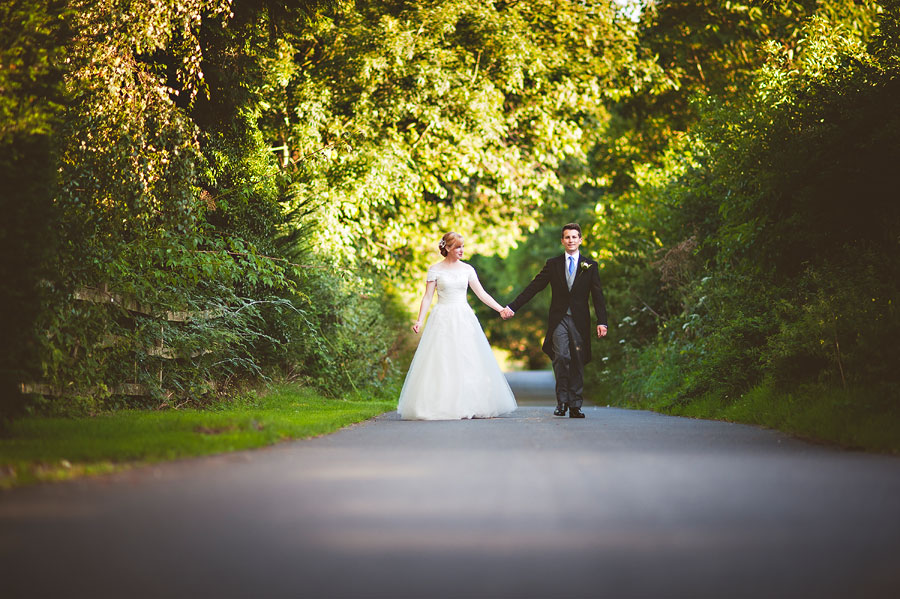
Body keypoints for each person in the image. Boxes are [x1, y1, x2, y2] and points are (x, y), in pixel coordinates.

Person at [397, 232, 518, 420]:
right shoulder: (434, 270)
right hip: (442, 317)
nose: (461, 250)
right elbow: (428, 296)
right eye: (457, 247)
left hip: (463, 317)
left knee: (467, 358)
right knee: (442, 359)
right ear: (447, 248)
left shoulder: (468, 270)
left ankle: (470, 403)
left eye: (462, 246)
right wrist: (419, 320)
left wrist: (500, 309)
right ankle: (441, 403)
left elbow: (481, 294)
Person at [500, 223, 607, 418]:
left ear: (580, 240)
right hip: (559, 319)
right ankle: (562, 402)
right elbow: (535, 286)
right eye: (567, 237)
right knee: (562, 357)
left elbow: (598, 295)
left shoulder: (590, 266)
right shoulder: (553, 264)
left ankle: (575, 404)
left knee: (577, 360)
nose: (571, 240)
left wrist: (602, 321)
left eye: (574, 237)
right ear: (562, 241)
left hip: (580, 320)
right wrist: (513, 306)